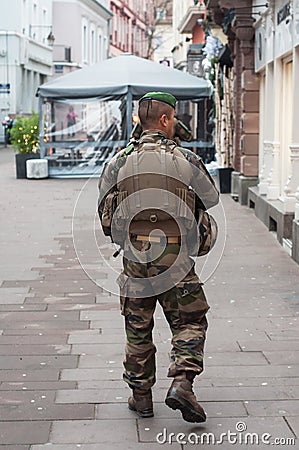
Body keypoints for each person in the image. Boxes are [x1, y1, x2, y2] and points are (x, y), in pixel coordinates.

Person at [98, 92, 219, 423]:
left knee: (138, 326)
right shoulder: (186, 160)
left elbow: (106, 217)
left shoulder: (119, 162)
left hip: (136, 257)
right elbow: (211, 198)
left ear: (139, 121)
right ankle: (182, 382)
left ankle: (141, 398)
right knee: (189, 321)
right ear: (166, 120)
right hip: (176, 257)